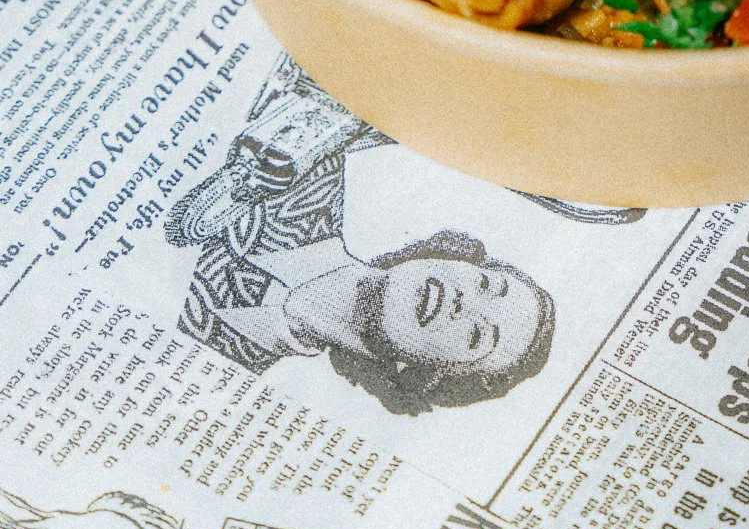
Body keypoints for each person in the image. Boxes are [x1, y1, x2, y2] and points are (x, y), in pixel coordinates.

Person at [167, 55, 554, 414]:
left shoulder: (218, 373)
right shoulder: (315, 167)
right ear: (453, 257)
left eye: (475, 336)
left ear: (429, 374)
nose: (461, 303)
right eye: (486, 284)